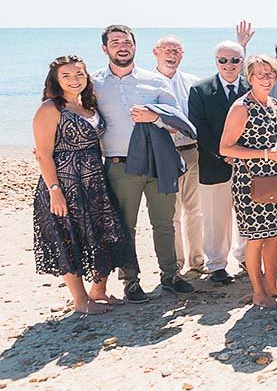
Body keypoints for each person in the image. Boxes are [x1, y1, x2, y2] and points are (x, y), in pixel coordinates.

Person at [32, 56, 139, 313]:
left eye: (79, 74)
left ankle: (98, 291)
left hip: (94, 183)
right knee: (69, 238)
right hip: (64, 185)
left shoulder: (89, 104)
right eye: (67, 76)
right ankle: (80, 301)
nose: (74, 80)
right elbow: (44, 154)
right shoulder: (50, 108)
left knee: (103, 233)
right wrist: (55, 192)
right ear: (56, 81)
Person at [91, 24, 189, 303]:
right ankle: (131, 282)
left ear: (135, 46)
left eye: (127, 41)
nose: (122, 46)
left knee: (164, 223)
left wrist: (154, 117)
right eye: (115, 42)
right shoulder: (94, 84)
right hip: (120, 166)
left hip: (158, 163)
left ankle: (170, 276)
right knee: (125, 226)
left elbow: (177, 121)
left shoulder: (155, 81)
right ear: (105, 48)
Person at [219, 55, 277, 310]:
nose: (266, 78)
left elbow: (276, 136)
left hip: (274, 178)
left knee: (274, 236)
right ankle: (258, 291)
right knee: (256, 238)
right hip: (249, 182)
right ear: (249, 78)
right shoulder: (242, 107)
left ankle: (272, 284)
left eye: (270, 74)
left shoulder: (273, 103)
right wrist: (264, 154)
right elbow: (226, 148)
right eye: (260, 74)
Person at [186, 41, 249, 284]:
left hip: (249, 164)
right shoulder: (200, 89)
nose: (229, 65)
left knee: (247, 214)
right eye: (223, 60)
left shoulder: (251, 87)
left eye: (234, 60)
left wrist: (243, 154)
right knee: (215, 218)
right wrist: (224, 154)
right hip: (214, 163)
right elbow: (198, 128)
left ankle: (245, 257)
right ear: (216, 62)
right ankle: (217, 265)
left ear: (242, 61)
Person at [152, 35, 206, 275]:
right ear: (156, 52)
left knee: (195, 209)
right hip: (162, 154)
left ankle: (197, 260)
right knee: (170, 212)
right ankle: (175, 263)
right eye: (167, 49)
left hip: (191, 152)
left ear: (182, 55)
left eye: (176, 50)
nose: (171, 54)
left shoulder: (193, 83)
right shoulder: (147, 83)